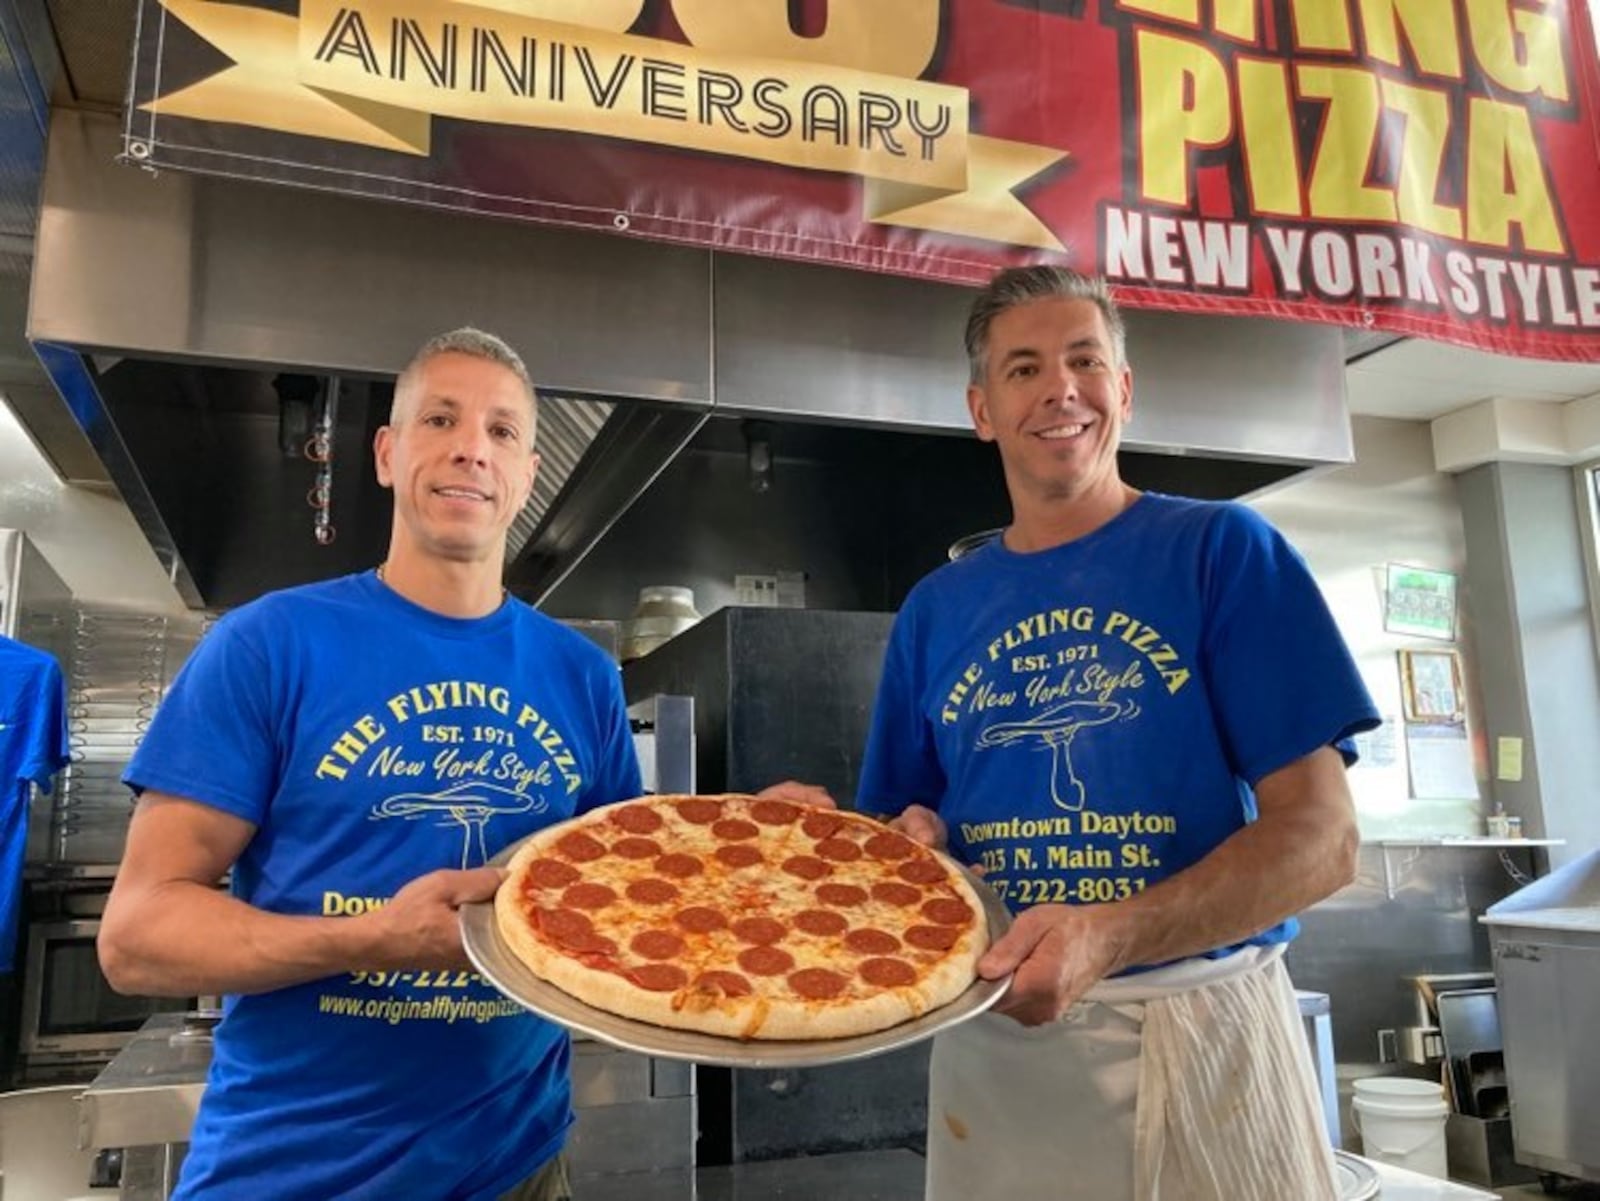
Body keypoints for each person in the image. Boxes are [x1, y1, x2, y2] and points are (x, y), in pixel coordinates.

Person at [856, 267, 1381, 1201]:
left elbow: (1324, 839)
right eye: (1024, 369)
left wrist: (1112, 934)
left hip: (1203, 1040)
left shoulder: (1223, 552)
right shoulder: (936, 611)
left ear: (1124, 390)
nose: (1060, 388)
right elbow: (904, 833)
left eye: (1084, 360)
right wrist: (907, 845)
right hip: (993, 1052)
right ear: (983, 409)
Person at [99, 329, 640, 1201]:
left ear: (527, 475)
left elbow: (627, 897)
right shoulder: (267, 645)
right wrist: (372, 939)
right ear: (388, 454)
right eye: (441, 418)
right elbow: (136, 939)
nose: (472, 446)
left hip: (519, 1171)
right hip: (293, 1173)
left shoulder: (582, 676)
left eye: (502, 431)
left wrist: (757, 851)